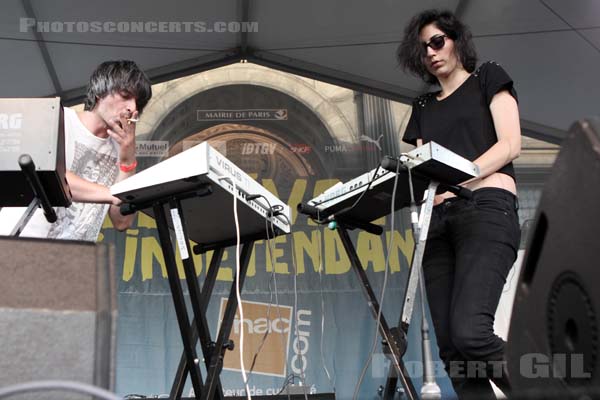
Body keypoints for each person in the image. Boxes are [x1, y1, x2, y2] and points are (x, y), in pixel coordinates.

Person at [397, 9, 521, 399]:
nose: (432, 52)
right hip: (437, 224)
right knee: (452, 349)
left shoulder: (488, 77)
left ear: (455, 41)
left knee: (471, 333)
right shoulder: (422, 107)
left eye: (438, 41)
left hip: (486, 208)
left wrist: (459, 177)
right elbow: (423, 167)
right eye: (423, 48)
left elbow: (510, 145)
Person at [0, 60, 152, 241]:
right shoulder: (58, 120)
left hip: (69, 259)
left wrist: (127, 162)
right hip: (20, 242)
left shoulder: (122, 149)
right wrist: (111, 194)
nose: (132, 108)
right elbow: (48, 178)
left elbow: (122, 222)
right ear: (99, 92)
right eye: (125, 95)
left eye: (138, 103)